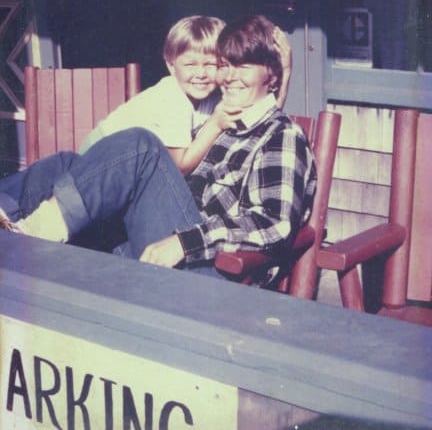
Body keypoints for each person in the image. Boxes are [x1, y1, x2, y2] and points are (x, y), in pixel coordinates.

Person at [0, 15, 314, 279]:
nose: (228, 77)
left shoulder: (283, 136)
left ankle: (29, 238)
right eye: (226, 65)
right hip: (157, 246)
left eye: (242, 67)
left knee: (142, 145)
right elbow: (261, 104)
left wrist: (184, 242)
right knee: (70, 163)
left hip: (203, 270)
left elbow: (275, 223)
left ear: (269, 76)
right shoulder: (228, 120)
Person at [79, 15, 293, 176]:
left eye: (211, 64)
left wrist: (285, 71)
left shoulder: (215, 96)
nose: (200, 74)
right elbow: (179, 168)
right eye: (190, 64)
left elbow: (263, 117)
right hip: (102, 159)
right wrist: (215, 124)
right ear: (171, 66)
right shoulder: (172, 98)